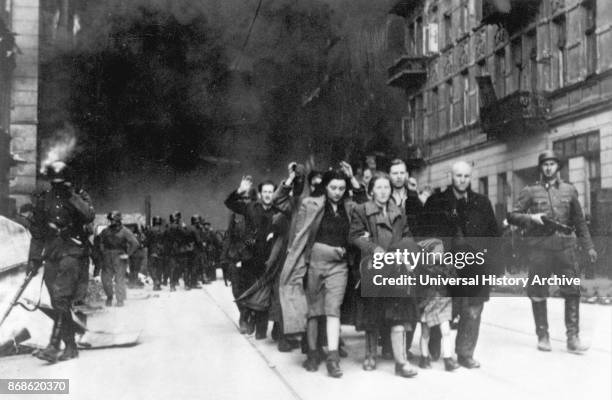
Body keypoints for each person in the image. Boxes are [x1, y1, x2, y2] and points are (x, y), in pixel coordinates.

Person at [508, 150, 597, 353]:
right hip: (540, 250)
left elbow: (579, 221)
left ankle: (573, 338)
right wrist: (531, 218)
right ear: (541, 167)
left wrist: (589, 246)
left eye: (552, 164)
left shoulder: (569, 190)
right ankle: (543, 336)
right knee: (538, 292)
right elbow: (513, 215)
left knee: (572, 292)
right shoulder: (530, 191)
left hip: (565, 250)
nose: (548, 167)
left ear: (558, 166)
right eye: (545, 164)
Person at [418, 160, 500, 369]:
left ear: (470, 177)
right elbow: (424, 234)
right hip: (444, 267)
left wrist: (495, 267)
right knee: (442, 307)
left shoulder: (482, 203)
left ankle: (465, 353)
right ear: (450, 177)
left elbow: (493, 235)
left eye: (466, 176)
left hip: (475, 267)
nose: (462, 180)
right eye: (458, 176)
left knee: (472, 311)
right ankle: (435, 347)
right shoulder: (436, 202)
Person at [279, 168, 354, 378]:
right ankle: (312, 354)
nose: (338, 192)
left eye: (341, 188)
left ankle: (333, 358)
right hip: (314, 264)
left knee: (333, 310)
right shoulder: (309, 204)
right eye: (333, 188)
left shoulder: (350, 207)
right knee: (313, 311)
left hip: (339, 265)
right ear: (325, 187)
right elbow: (299, 236)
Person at [350, 172, 418, 378]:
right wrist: (373, 248)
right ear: (371, 190)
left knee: (399, 312)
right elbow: (354, 236)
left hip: (396, 267)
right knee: (372, 312)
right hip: (373, 267)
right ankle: (370, 355)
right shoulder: (361, 210)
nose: (383, 191)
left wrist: (408, 254)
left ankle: (401, 361)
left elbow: (407, 236)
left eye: (386, 188)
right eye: (379, 187)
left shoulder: (399, 212)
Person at [27, 161, 95, 363]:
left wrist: (71, 196)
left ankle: (60, 346)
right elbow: (37, 232)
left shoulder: (78, 197)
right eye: (54, 182)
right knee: (57, 302)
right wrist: (34, 258)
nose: (57, 185)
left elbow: (88, 216)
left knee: (61, 297)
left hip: (73, 252)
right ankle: (64, 345)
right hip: (52, 254)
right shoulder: (43, 200)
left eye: (61, 182)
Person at [225, 177, 277, 339]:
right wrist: (240, 190)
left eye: (271, 192)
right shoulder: (250, 208)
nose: (268, 195)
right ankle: (247, 318)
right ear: (260, 194)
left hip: (269, 257)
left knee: (266, 293)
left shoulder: (278, 210)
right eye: (265, 192)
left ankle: (261, 329)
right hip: (250, 256)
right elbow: (230, 203)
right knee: (248, 291)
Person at [415, 238, 460, 371]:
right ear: (429, 253)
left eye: (442, 250)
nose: (441, 253)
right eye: (437, 251)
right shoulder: (423, 268)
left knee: (446, 331)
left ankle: (448, 359)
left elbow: (455, 283)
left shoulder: (447, 266)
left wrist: (450, 274)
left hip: (443, 302)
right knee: (425, 333)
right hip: (427, 303)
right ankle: (424, 357)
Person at [98, 211, 139, 307]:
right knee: (105, 279)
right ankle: (109, 297)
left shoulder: (125, 231)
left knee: (119, 279)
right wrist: (102, 251)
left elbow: (135, 243)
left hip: (119, 257)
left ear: (118, 221)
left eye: (113, 220)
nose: (111, 222)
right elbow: (99, 241)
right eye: (110, 220)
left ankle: (120, 300)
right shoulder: (105, 231)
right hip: (107, 257)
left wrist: (128, 254)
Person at [145, 216, 166, 291]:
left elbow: (147, 241)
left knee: (151, 267)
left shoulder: (150, 230)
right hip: (161, 251)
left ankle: (155, 280)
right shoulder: (164, 230)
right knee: (159, 268)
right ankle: (158, 284)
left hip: (152, 251)